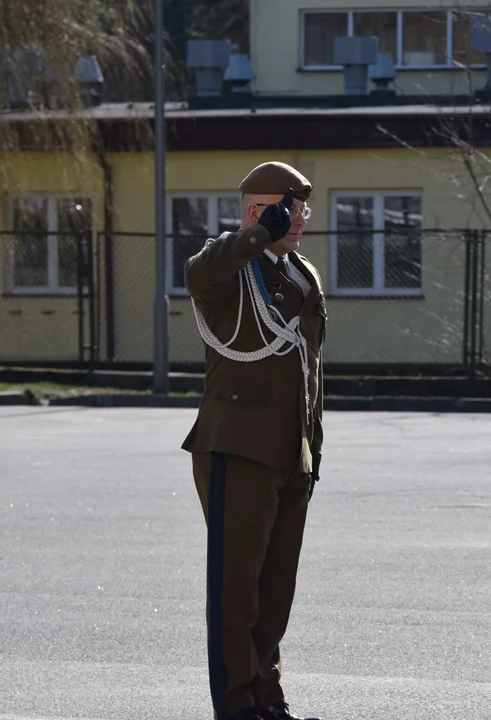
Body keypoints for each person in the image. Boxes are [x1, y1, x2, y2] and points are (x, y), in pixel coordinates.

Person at [181, 161, 327, 720]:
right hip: (237, 448)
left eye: (301, 209)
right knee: (235, 589)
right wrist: (254, 237)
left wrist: (314, 448)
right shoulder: (230, 265)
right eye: (288, 208)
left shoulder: (300, 273)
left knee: (275, 592)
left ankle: (267, 698)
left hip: (292, 452)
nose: (299, 219)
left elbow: (311, 368)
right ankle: (235, 706)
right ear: (254, 211)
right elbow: (198, 275)